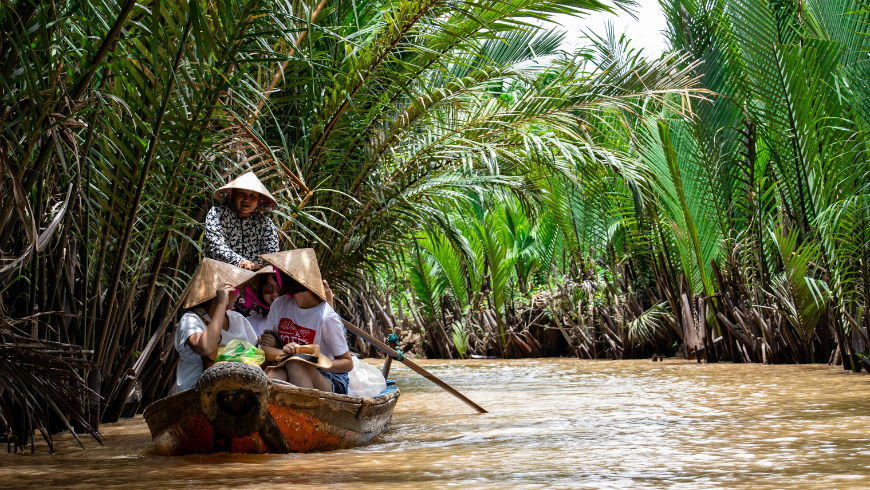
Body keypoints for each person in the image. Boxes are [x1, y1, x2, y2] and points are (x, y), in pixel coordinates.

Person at [259, 249, 353, 394]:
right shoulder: (279, 305)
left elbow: (347, 363)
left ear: (294, 278)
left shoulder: (326, 316)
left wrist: (311, 360)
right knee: (277, 373)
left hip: (330, 378)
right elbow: (265, 349)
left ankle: (306, 411)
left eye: (278, 274)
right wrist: (286, 352)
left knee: (295, 363)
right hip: (288, 366)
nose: (276, 279)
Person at [174, 259, 258, 392]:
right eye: (235, 289)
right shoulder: (191, 319)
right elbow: (206, 348)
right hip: (196, 393)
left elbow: (256, 354)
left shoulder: (237, 319)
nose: (238, 294)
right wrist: (220, 304)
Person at [205, 171, 279, 271]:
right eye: (241, 193)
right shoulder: (217, 214)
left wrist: (262, 269)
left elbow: (272, 256)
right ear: (233, 195)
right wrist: (240, 262)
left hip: (253, 280)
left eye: (253, 195)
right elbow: (215, 246)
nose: (246, 199)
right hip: (220, 277)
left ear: (259, 201)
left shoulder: (265, 224)